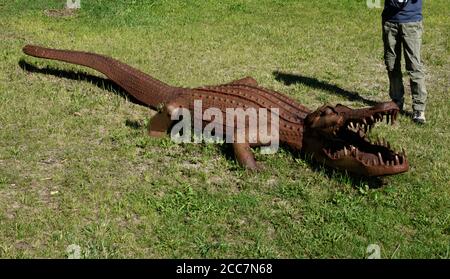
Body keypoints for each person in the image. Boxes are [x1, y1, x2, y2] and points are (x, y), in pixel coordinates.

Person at [382, 0, 427, 124]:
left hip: (411, 22)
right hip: (390, 21)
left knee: (414, 66)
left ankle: (419, 109)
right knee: (391, 64)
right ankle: (396, 101)